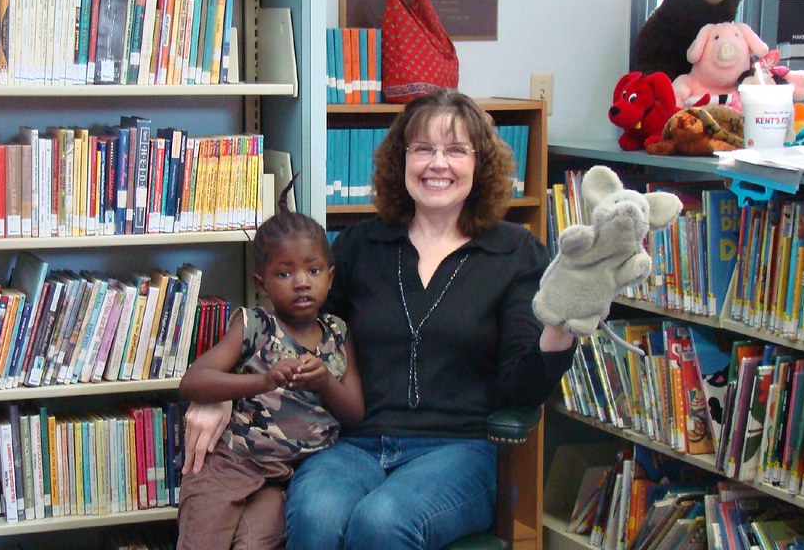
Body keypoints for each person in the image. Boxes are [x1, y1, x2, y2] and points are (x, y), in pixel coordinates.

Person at [182, 89, 576, 549]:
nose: (437, 164)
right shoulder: (359, 246)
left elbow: (520, 387)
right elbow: (294, 332)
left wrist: (561, 328)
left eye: (455, 150)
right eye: (423, 149)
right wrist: (219, 393)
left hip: (459, 450)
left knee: (382, 522)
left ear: (480, 163)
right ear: (401, 160)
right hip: (355, 444)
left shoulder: (514, 252)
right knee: (316, 513)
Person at [175, 185, 364, 550]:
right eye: (284, 274)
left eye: (313, 270)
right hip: (231, 464)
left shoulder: (339, 333)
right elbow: (193, 381)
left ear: (331, 276)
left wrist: (325, 380)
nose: (302, 283)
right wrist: (262, 381)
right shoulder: (254, 325)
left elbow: (355, 413)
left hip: (285, 479)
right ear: (261, 283)